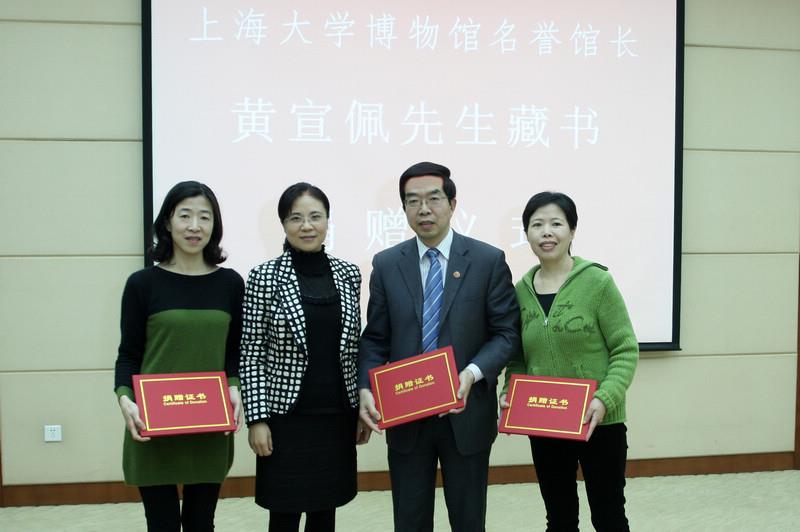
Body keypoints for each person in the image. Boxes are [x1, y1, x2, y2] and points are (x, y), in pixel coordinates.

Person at [358, 162, 520, 532]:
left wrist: (471, 373)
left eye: (433, 199)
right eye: (413, 201)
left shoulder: (487, 260)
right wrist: (365, 385)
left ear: (452, 204)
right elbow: (376, 338)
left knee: (468, 520)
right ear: (403, 208)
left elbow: (506, 334)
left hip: (467, 412)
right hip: (406, 415)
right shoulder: (387, 264)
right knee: (410, 520)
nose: (424, 209)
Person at [500, 191, 639, 532]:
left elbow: (625, 349)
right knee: (559, 518)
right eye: (537, 225)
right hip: (545, 421)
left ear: (572, 231)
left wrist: (604, 400)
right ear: (527, 233)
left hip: (599, 422)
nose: (546, 232)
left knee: (608, 517)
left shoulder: (598, 282)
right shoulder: (520, 292)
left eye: (556, 224)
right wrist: (510, 392)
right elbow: (517, 359)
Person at [240, 182, 371, 532]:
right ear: (283, 224)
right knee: (284, 513)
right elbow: (251, 352)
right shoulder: (264, 277)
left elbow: (354, 348)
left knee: (325, 513)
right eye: (296, 218)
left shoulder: (348, 273)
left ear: (328, 220)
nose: (307, 226)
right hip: (285, 419)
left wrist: (360, 407)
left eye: (316, 216)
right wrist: (257, 419)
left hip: (336, 416)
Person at [114, 180, 244, 531]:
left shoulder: (230, 284)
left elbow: (233, 352)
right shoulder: (142, 284)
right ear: (167, 222)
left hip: (209, 424)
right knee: (162, 525)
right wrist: (125, 400)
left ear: (214, 225)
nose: (194, 226)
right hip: (153, 424)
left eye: (204, 217)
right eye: (184, 215)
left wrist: (234, 386)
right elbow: (128, 355)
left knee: (202, 523)